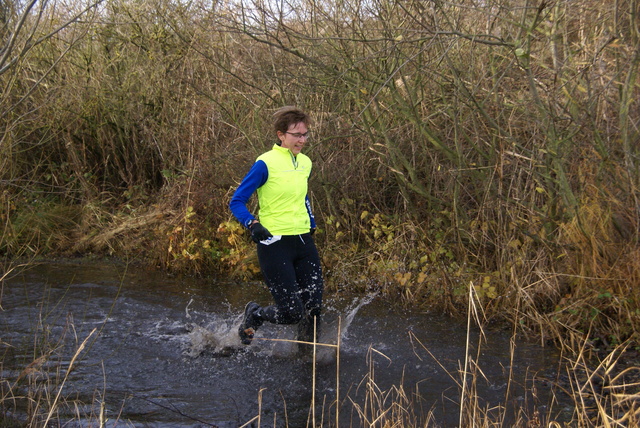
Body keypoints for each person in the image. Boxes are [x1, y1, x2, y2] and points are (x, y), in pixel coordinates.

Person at [229, 106, 323, 346]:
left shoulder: (305, 163)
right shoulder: (265, 163)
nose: (302, 140)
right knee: (291, 312)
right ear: (281, 135)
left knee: (313, 309)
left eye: (305, 134)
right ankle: (256, 313)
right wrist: (252, 223)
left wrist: (310, 222)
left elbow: (301, 195)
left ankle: (307, 359)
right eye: (296, 135)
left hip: (303, 242)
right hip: (274, 243)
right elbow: (237, 200)